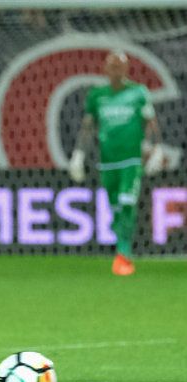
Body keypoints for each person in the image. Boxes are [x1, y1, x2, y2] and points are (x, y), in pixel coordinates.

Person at [68, 50, 162, 276]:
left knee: (127, 201)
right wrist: (78, 154)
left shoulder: (139, 93)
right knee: (116, 208)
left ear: (127, 69)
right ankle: (122, 242)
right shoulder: (97, 96)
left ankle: (123, 254)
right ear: (105, 69)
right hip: (107, 161)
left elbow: (151, 123)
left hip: (131, 159)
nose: (117, 70)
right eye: (113, 66)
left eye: (121, 65)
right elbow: (88, 126)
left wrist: (157, 149)